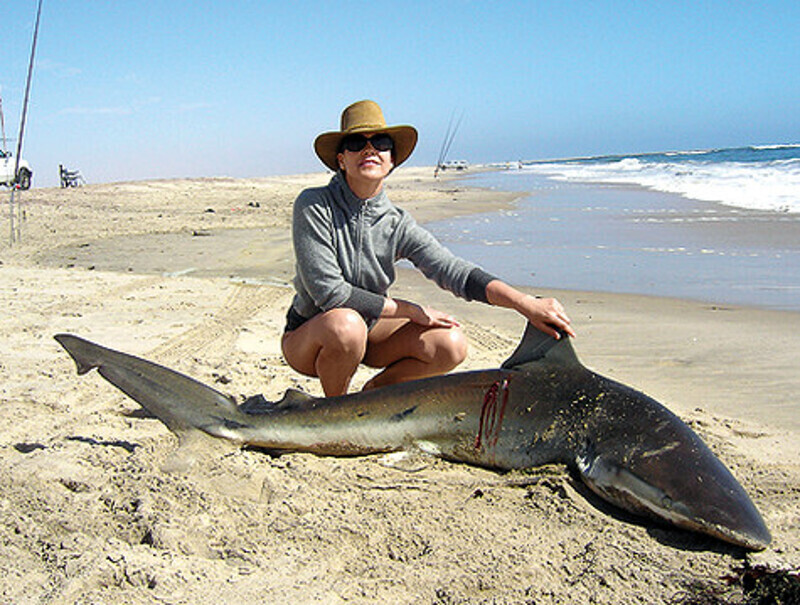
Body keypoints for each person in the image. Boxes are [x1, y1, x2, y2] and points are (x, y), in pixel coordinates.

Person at [282, 100, 575, 396]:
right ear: (342, 159)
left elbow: (452, 270)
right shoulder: (314, 205)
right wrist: (410, 311)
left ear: (392, 160)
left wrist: (524, 303)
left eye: (381, 142)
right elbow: (330, 293)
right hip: (313, 334)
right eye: (357, 142)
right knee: (346, 324)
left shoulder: (397, 223)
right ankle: (336, 412)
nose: (369, 149)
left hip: (371, 328)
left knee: (451, 343)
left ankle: (373, 396)